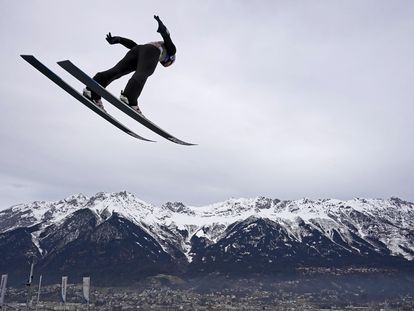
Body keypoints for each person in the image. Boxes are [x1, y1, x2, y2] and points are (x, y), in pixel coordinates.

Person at [83, 15, 176, 114]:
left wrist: (119, 39)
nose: (161, 62)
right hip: (151, 52)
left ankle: (92, 90)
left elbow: (133, 45)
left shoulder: (149, 46)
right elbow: (167, 37)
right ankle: (129, 97)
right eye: (165, 63)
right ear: (169, 58)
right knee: (143, 73)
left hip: (137, 49)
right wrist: (162, 28)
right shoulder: (171, 50)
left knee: (117, 71)